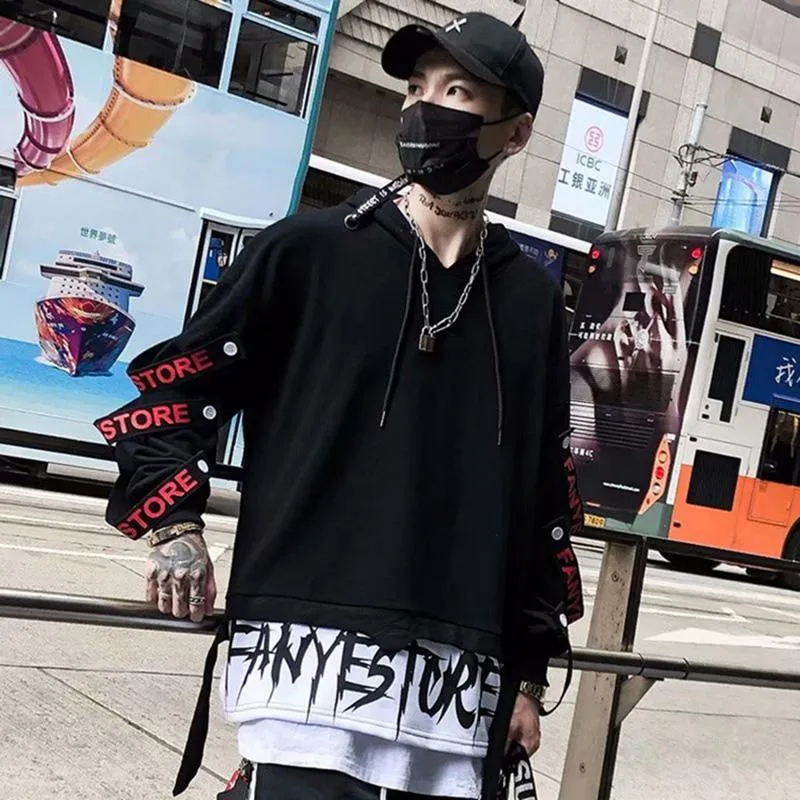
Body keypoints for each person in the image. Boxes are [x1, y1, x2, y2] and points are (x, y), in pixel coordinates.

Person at [96, 11, 585, 800]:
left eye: (456, 92)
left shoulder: (531, 303)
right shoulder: (307, 253)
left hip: (456, 707)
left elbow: (542, 498)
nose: (424, 109)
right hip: (302, 686)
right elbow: (175, 389)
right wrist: (174, 525)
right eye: (416, 88)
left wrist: (528, 674)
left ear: (516, 132)